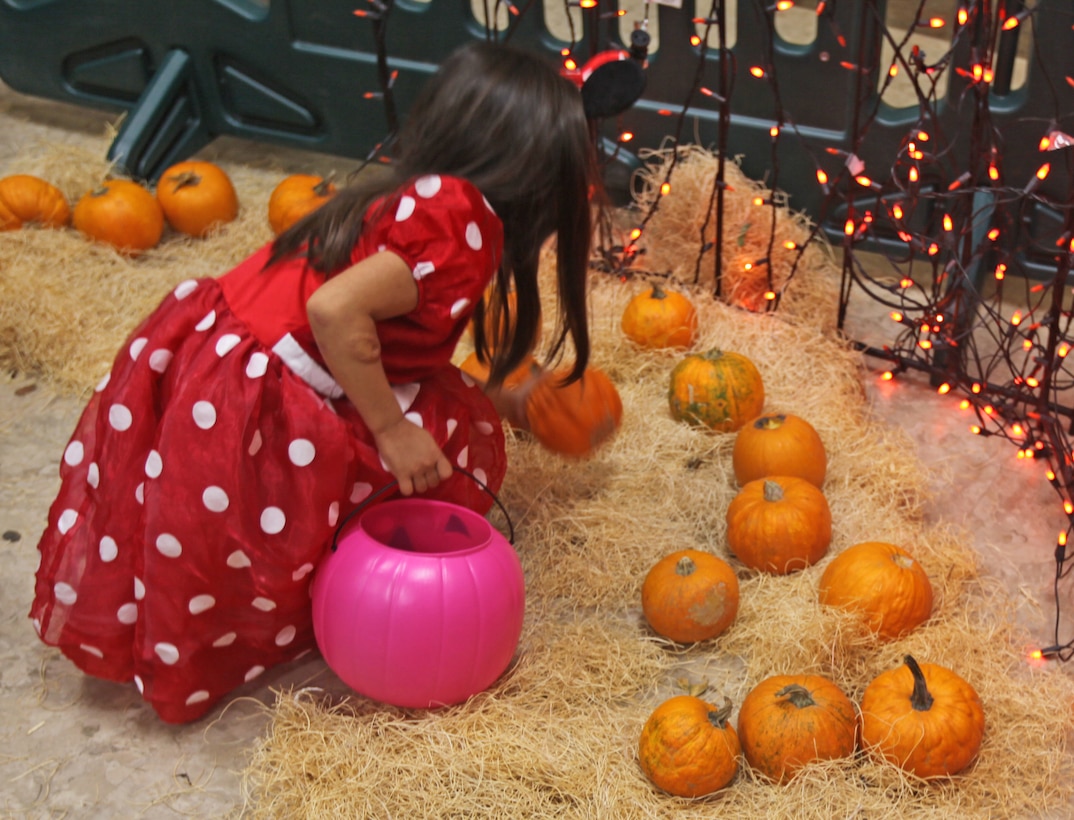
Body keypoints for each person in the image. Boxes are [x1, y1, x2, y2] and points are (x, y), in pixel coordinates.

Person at [29, 40, 599, 723]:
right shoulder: (460, 228)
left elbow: (380, 318)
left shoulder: (421, 191)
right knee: (441, 442)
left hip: (220, 347)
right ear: (537, 178)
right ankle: (325, 587)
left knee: (442, 411)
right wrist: (391, 431)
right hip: (261, 387)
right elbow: (333, 310)